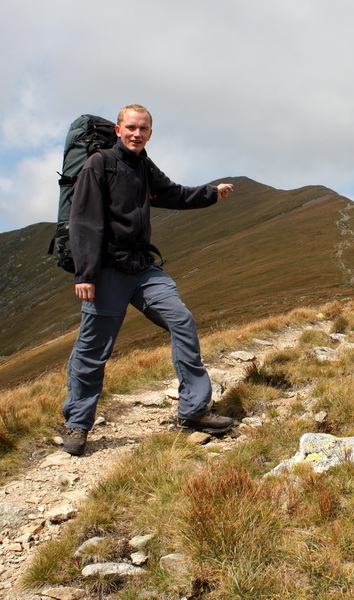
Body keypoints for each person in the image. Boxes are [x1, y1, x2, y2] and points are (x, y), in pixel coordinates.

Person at [61, 103, 235, 456]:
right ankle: (78, 424)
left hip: (142, 268)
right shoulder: (100, 164)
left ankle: (194, 410)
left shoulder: (142, 165)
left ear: (150, 133)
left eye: (143, 129)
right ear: (118, 130)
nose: (136, 134)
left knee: (181, 321)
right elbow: (85, 220)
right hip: (107, 270)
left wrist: (210, 194)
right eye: (131, 127)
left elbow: (171, 193)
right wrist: (86, 273)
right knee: (94, 349)